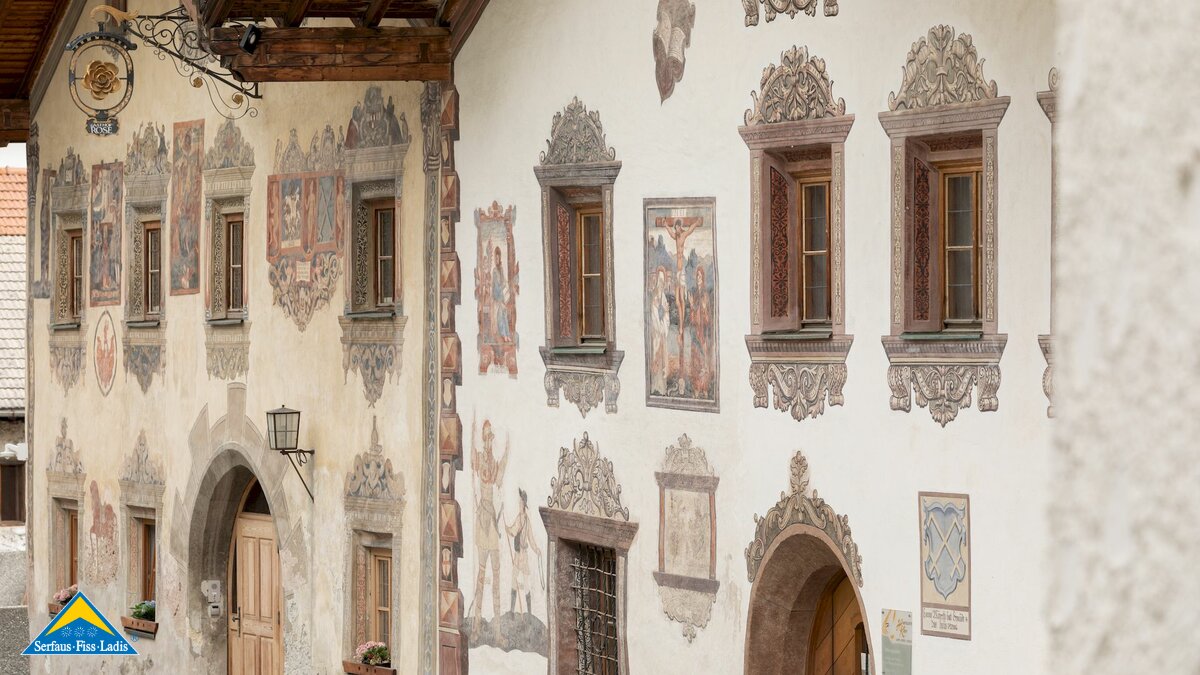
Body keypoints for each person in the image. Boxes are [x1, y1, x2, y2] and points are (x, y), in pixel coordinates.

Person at [468, 419, 509, 633]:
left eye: (491, 438)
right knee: (482, 575)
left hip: (491, 517)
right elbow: (473, 462)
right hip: (483, 518)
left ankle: (498, 629)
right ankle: (475, 626)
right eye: (487, 438)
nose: (489, 442)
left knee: (497, 572)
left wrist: (508, 446)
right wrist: (473, 427)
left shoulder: (492, 462)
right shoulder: (481, 461)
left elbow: (500, 472)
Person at [505, 488, 544, 614]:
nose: (519, 504)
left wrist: (506, 528)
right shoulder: (522, 518)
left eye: (520, 502)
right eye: (519, 502)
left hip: (521, 555)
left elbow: (519, 533)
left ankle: (527, 612)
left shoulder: (524, 519)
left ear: (523, 504)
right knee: (515, 579)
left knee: (523, 581)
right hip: (520, 555)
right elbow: (519, 533)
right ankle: (513, 610)